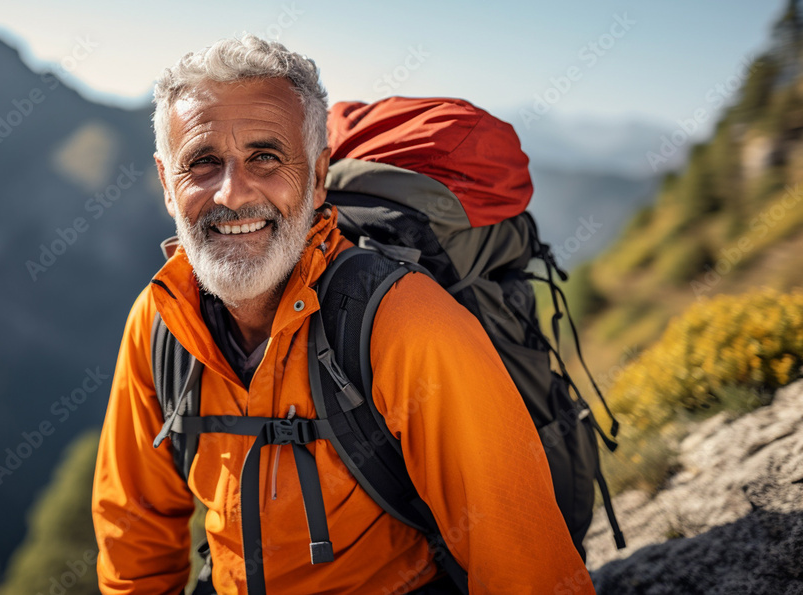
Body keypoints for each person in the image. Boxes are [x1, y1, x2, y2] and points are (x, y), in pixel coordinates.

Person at [91, 34, 595, 595]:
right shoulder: (160, 321)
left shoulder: (403, 321)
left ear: (318, 175)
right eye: (202, 163)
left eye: (265, 156)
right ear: (166, 183)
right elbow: (133, 536)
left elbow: (523, 565)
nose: (232, 193)